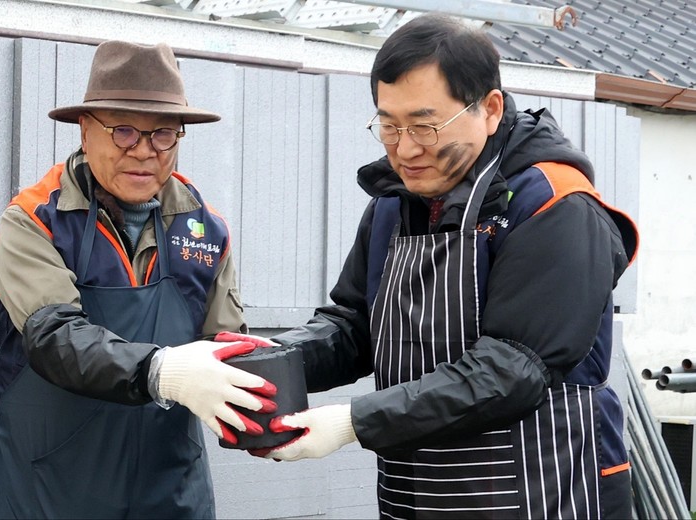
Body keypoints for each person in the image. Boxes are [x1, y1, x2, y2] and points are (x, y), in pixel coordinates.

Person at [253, 13, 639, 519]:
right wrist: (267, 362)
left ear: (490, 109)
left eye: (425, 126)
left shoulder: (554, 204)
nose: (405, 148)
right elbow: (356, 328)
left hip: (542, 490)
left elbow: (512, 370)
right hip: (416, 493)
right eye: (388, 126)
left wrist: (352, 422)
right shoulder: (394, 204)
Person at [0, 40, 276, 519]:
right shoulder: (35, 220)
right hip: (47, 491)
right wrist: (161, 372)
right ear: (85, 130)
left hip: (169, 492)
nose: (143, 151)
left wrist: (267, 407)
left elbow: (225, 347)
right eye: (123, 131)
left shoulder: (205, 229)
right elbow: (55, 339)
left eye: (163, 134)